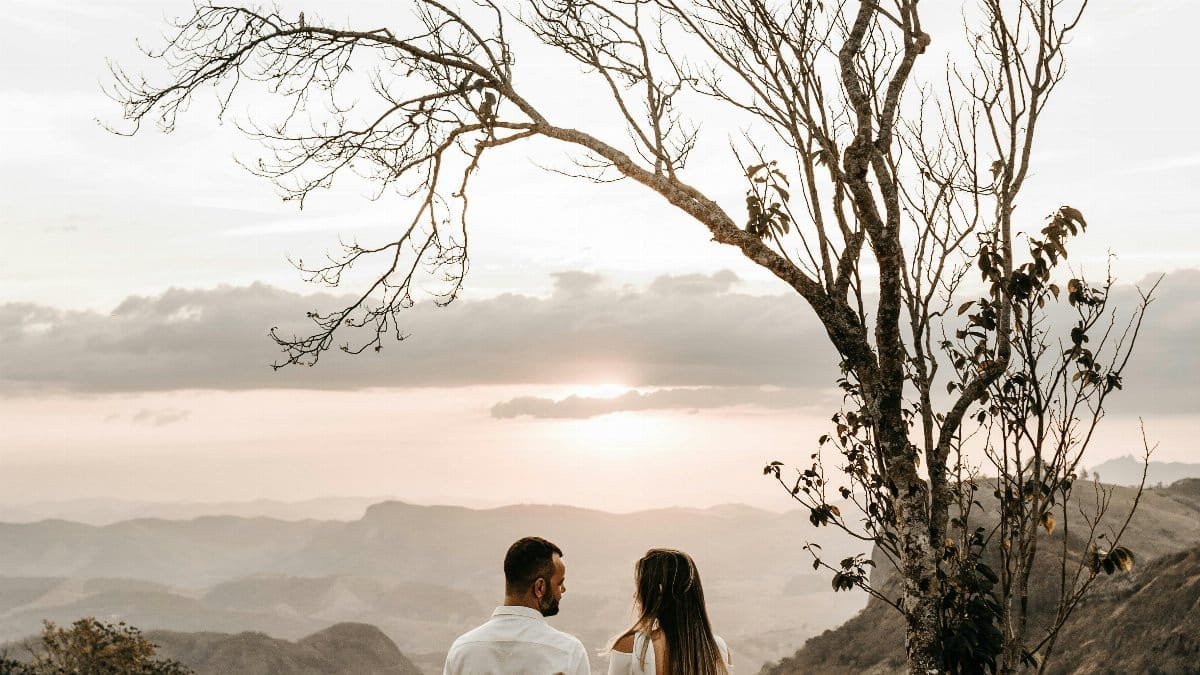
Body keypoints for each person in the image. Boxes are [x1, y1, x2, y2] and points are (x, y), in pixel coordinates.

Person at [444, 536, 590, 675]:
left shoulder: (461, 650)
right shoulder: (569, 652)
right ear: (539, 587)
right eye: (559, 583)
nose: (563, 590)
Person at [608, 549, 732, 675]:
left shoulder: (629, 647)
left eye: (641, 587)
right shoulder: (718, 650)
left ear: (659, 592)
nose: (636, 595)